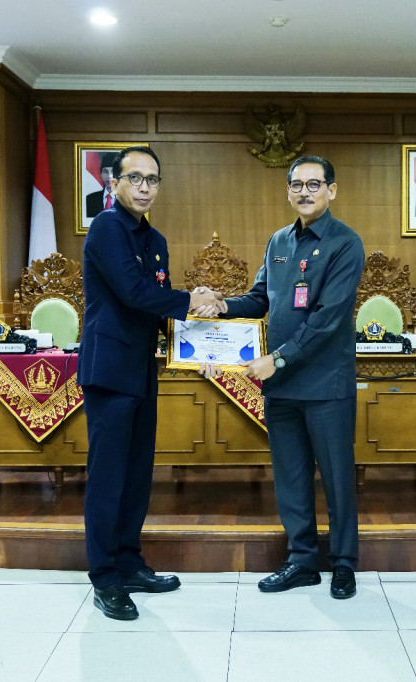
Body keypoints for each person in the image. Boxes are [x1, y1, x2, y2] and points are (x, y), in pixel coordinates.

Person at [196, 155, 365, 600]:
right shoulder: (278, 242)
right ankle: (302, 560)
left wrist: (281, 358)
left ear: (332, 189)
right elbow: (258, 299)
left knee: (336, 478)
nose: (304, 192)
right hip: (283, 386)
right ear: (288, 190)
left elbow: (329, 318)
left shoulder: (346, 243)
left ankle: (344, 564)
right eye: (296, 184)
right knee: (290, 476)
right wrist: (221, 306)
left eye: (314, 184)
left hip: (326, 385)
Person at [78, 145, 218, 620]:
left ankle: (130, 563)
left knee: (137, 476)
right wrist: (190, 299)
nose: (144, 187)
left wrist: (198, 347)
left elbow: (157, 308)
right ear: (114, 183)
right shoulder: (105, 228)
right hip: (109, 372)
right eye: (135, 178)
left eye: (153, 179)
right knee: (108, 478)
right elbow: (135, 293)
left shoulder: (155, 239)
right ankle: (104, 577)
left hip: (142, 370)